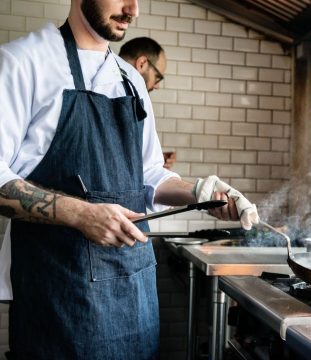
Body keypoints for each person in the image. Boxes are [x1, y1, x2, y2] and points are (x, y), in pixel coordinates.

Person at [0, 0, 258, 359]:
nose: (132, 9)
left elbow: (148, 174)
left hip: (134, 300)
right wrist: (81, 214)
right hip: (58, 301)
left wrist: (200, 192)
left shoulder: (130, 80)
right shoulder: (23, 63)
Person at [119, 37, 176, 169]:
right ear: (142, 64)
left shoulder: (134, 98)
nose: (157, 86)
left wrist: (152, 161)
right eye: (158, 77)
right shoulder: (122, 98)